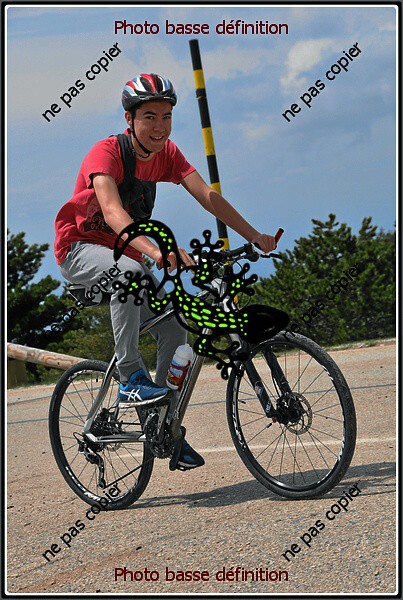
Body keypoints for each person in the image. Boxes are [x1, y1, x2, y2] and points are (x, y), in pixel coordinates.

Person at [54, 72, 278, 471]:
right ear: (129, 119)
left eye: (167, 116)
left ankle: (161, 426)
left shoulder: (168, 154)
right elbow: (112, 213)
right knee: (129, 271)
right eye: (149, 117)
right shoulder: (106, 153)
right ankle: (129, 378)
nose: (160, 126)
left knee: (175, 325)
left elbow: (208, 196)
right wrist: (158, 252)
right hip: (81, 249)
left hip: (129, 254)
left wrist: (254, 234)